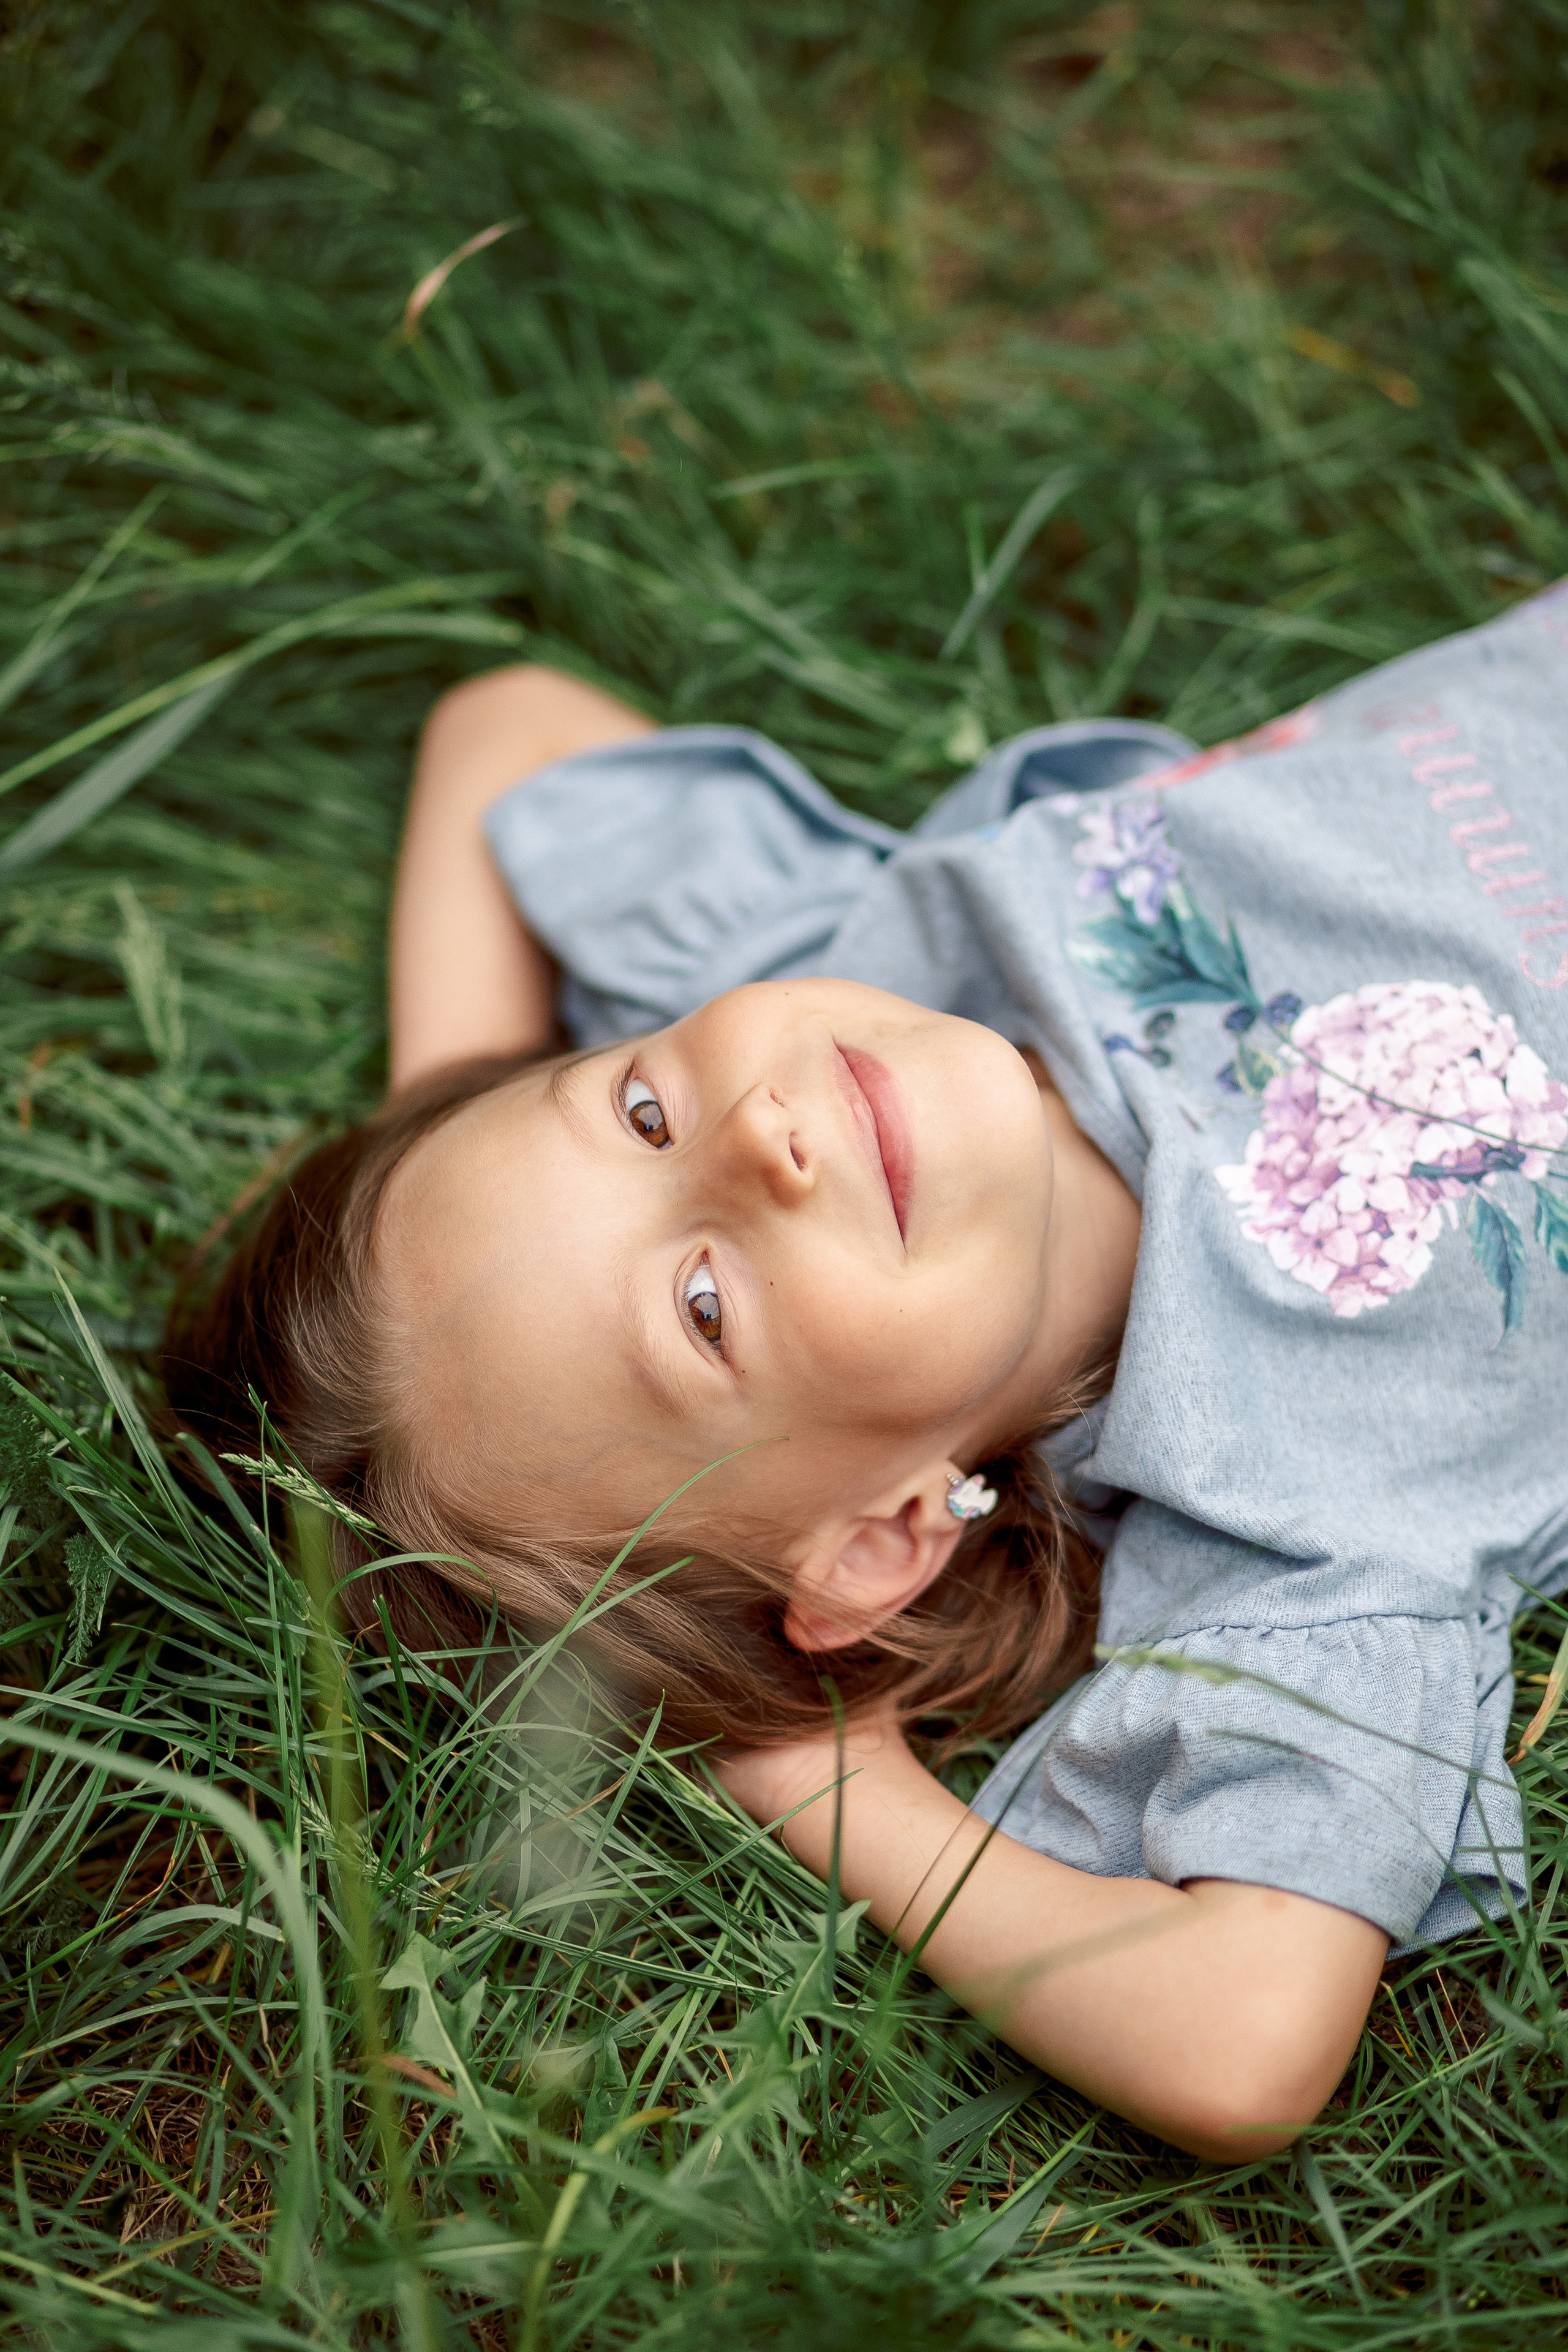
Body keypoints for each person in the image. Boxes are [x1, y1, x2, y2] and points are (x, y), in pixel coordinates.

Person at [163, 587, 1568, 2162]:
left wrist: (452, 1106)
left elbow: (510, 733)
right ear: (875, 1541)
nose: (758, 1133)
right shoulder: (1294, 1493)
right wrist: (821, 1774)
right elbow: (1238, 2046)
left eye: (633, 1112)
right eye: (703, 1307)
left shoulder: (853, 958)